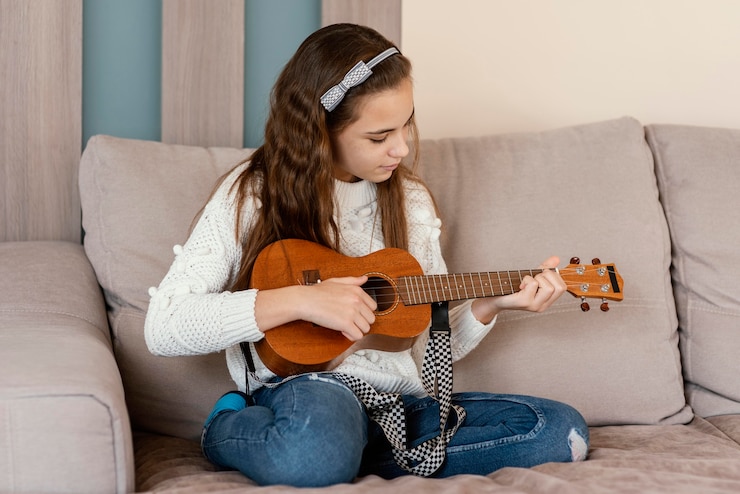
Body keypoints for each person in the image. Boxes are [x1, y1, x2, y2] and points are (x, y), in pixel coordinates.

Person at [144, 23, 589, 488]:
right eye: (379, 137)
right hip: (311, 393)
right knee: (318, 438)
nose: (402, 148)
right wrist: (300, 300)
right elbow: (165, 326)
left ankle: (343, 454)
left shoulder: (411, 202)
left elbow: (417, 340)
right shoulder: (254, 195)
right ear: (320, 133)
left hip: (399, 405)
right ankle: (229, 427)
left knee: (560, 432)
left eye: (407, 124)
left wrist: (493, 304)